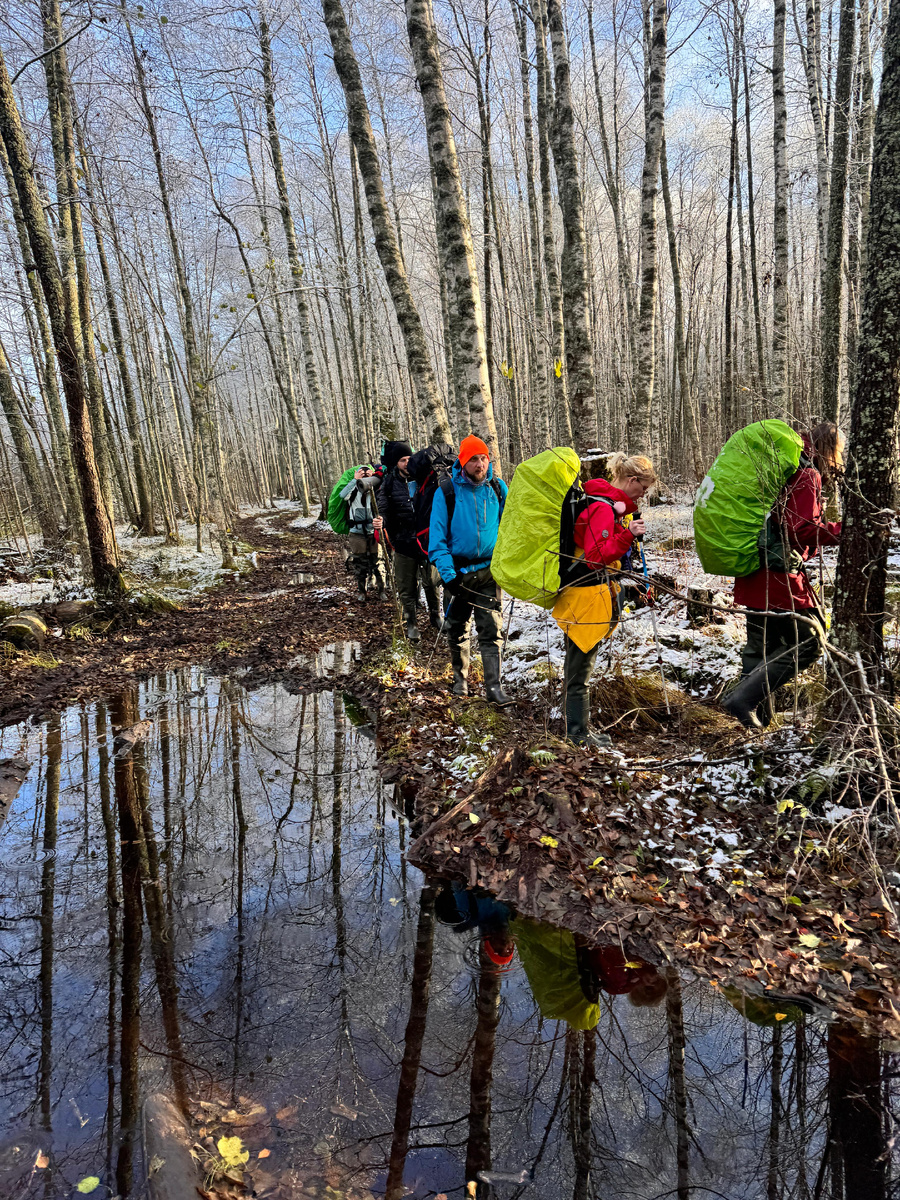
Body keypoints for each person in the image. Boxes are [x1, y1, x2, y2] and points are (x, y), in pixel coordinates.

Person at [724, 421, 843, 729]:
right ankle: (742, 703)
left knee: (759, 646)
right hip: (778, 575)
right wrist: (844, 532)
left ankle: (753, 725)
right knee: (810, 641)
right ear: (829, 450)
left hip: (752, 566)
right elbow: (801, 528)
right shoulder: (806, 474)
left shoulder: (781, 468)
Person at [555, 452, 656, 749]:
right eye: (644, 488)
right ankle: (577, 734)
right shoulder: (601, 508)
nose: (644, 494)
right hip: (585, 596)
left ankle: (577, 728)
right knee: (580, 669)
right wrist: (627, 535)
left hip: (588, 594)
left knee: (578, 666)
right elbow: (596, 556)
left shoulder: (609, 504)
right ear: (632, 480)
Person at [429, 435, 513, 707]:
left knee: (491, 630)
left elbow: (510, 529)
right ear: (463, 462)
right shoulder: (446, 492)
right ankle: (460, 680)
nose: (480, 464)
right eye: (474, 459)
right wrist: (449, 576)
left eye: (484, 458)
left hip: (490, 572)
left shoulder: (498, 489)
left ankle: (494, 688)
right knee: (457, 629)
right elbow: (437, 541)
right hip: (458, 573)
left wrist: (509, 564)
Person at [373, 440, 441, 642]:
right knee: (406, 585)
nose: (406, 463)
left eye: (409, 459)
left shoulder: (424, 478)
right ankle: (411, 623)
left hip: (427, 541)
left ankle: (435, 617)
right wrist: (381, 521)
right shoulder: (389, 483)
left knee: (432, 582)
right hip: (402, 542)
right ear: (396, 463)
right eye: (402, 460)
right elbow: (383, 507)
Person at [340, 465, 385, 602]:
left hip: (375, 531)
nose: (365, 473)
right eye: (362, 471)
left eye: (367, 471)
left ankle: (381, 590)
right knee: (360, 563)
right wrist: (355, 480)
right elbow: (343, 495)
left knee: (378, 562)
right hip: (356, 532)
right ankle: (362, 591)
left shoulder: (377, 488)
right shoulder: (353, 488)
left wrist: (375, 479)